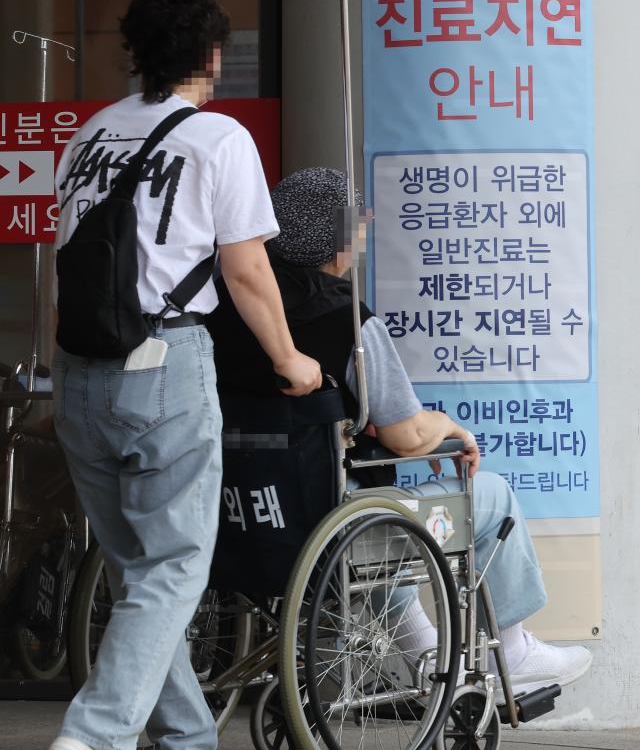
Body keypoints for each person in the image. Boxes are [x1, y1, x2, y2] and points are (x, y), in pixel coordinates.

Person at [45, 0, 321, 750]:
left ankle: (191, 745)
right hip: (163, 364)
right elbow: (245, 270)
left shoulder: (89, 135)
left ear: (136, 52)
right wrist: (291, 357)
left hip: (79, 372)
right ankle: (100, 732)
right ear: (212, 56)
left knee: (140, 573)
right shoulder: (217, 139)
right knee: (172, 565)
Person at [209, 166, 592, 699]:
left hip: (235, 519)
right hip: (324, 519)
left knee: (383, 512)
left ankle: (424, 652)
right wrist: (453, 431)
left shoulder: (218, 311)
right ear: (337, 240)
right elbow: (407, 435)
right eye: (358, 230)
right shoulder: (343, 318)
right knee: (489, 495)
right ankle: (513, 646)